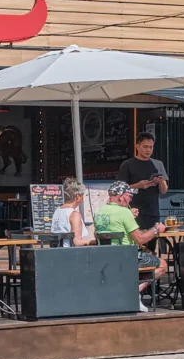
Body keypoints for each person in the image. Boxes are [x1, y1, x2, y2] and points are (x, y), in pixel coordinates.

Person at [93, 182, 167, 312]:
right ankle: (132, 292)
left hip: (105, 258)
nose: (131, 199)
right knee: (162, 264)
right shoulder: (124, 212)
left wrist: (128, 214)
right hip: (126, 258)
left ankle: (127, 290)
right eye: (129, 196)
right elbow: (140, 239)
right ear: (120, 196)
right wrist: (156, 229)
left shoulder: (100, 212)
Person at [118, 132, 169, 231]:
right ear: (137, 146)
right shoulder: (128, 164)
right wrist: (138, 185)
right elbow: (119, 190)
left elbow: (164, 191)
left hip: (153, 212)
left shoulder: (158, 164)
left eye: (151, 147)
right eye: (145, 147)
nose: (148, 150)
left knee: (152, 243)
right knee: (136, 243)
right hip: (133, 212)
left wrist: (161, 181)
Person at [49, 178, 94, 247]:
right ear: (77, 196)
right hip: (71, 253)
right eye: (82, 195)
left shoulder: (57, 211)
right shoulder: (74, 215)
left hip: (57, 250)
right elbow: (77, 242)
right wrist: (94, 242)